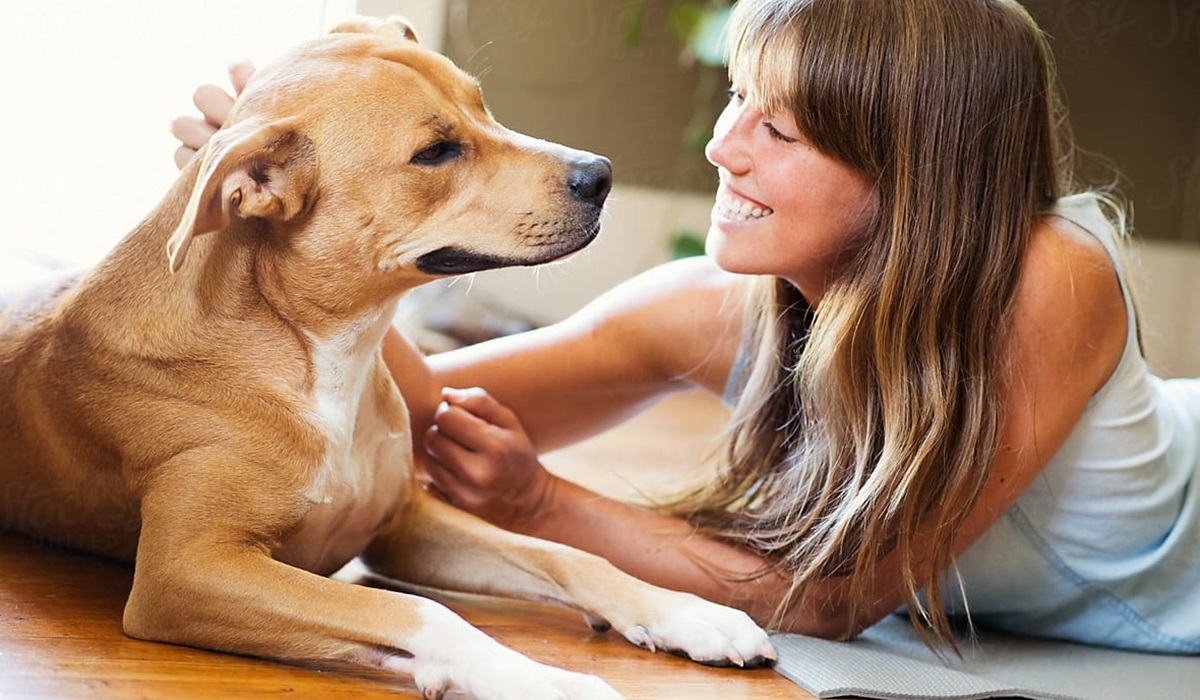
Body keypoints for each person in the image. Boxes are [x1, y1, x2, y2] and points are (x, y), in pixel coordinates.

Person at [173, 0, 1200, 654]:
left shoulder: (1050, 276)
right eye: (734, 98)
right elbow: (426, 412)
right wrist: (304, 210)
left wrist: (539, 501)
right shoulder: (712, 308)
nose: (720, 147)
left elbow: (839, 601)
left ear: (915, 179)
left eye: (777, 127)